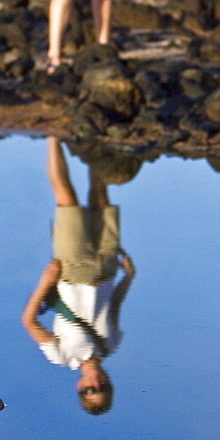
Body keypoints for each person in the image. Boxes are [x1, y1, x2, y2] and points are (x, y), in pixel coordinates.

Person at [21, 137, 135, 414]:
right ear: (109, 383)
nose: (96, 384)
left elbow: (29, 322)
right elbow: (114, 306)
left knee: (66, 199)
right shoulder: (111, 345)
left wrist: (45, 283)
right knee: (100, 197)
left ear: (80, 386)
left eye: (89, 390)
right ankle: (96, 142)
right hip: (107, 270)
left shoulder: (62, 356)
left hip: (72, 272)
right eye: (102, 389)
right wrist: (128, 277)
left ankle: (53, 136)